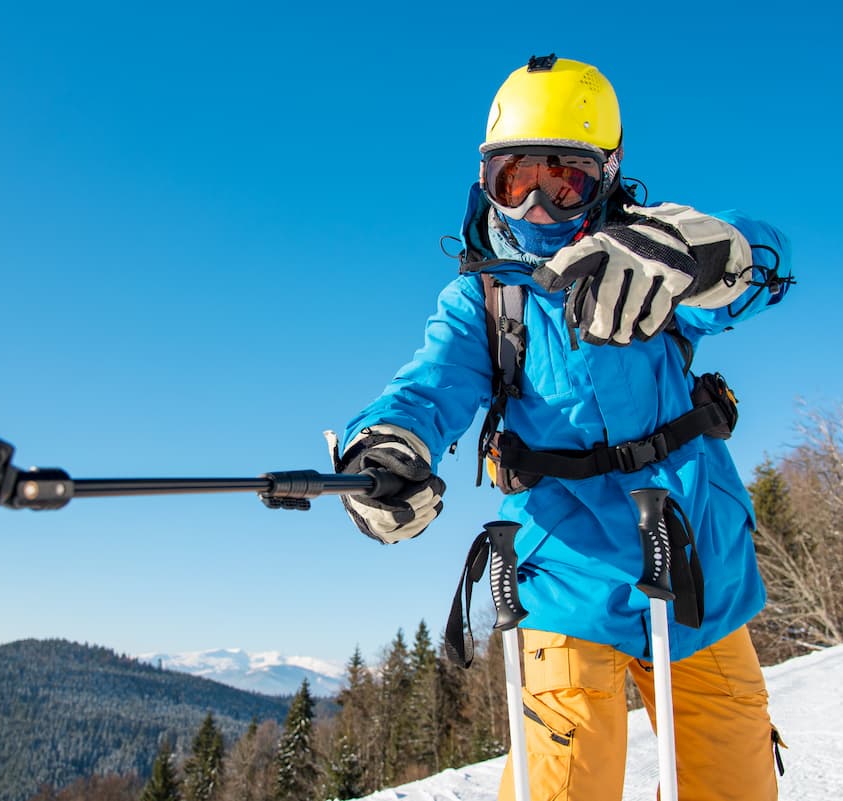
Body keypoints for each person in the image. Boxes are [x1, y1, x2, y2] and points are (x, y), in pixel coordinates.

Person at [328, 54, 792, 801]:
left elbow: (763, 268)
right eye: (516, 181)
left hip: (697, 567)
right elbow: (427, 386)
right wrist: (385, 447)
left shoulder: (648, 259)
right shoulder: (485, 301)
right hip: (564, 577)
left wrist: (695, 253)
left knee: (732, 783)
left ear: (607, 175)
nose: (539, 208)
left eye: (565, 180)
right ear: (487, 182)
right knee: (562, 786)